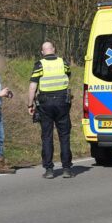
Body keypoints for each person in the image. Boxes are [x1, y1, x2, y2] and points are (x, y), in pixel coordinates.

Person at [27, 41, 73, 179]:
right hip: (62, 102)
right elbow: (69, 76)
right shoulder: (63, 62)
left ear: (42, 52)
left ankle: (49, 170)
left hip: (45, 103)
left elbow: (32, 87)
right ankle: (66, 169)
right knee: (64, 136)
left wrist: (30, 105)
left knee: (47, 136)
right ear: (53, 49)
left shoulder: (40, 64)